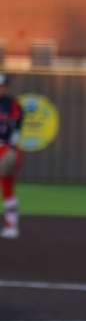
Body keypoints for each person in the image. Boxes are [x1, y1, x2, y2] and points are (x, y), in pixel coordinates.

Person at [0, 73, 23, 239]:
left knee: (7, 187)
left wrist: (12, 148)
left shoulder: (12, 104)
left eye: (2, 86)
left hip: (6, 148)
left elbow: (17, 126)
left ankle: (11, 225)